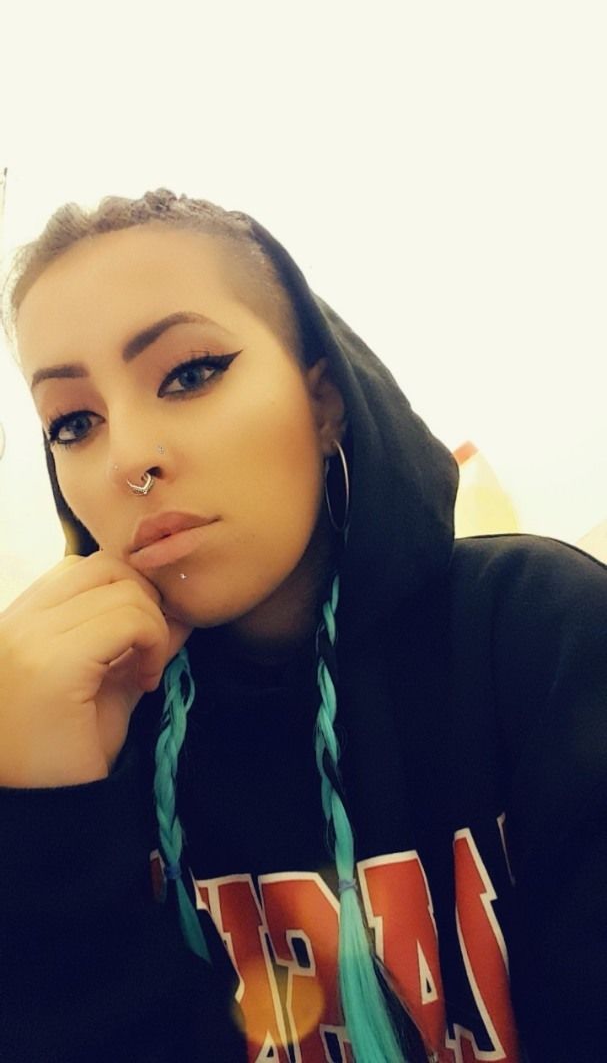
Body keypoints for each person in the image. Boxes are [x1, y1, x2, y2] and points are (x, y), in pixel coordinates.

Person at [0, 188, 605, 1063]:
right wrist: (44, 819)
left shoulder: (538, 634)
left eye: (189, 373)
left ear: (324, 402)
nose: (128, 457)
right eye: (73, 423)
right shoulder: (84, 738)